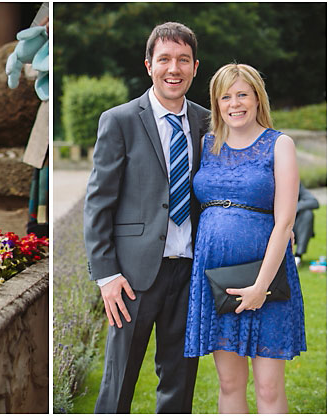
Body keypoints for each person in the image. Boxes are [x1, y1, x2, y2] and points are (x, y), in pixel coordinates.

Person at [84, 22, 208, 413]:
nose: (174, 69)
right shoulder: (119, 120)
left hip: (190, 272)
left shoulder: (208, 123)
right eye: (165, 59)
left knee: (180, 381)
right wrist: (106, 275)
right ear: (148, 64)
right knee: (118, 381)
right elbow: (99, 202)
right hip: (132, 277)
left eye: (183, 60)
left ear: (195, 66)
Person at [184, 63, 305, 413]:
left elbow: (284, 223)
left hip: (266, 281)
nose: (234, 103)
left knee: (268, 388)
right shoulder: (206, 144)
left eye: (242, 95)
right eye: (226, 96)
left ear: (256, 99)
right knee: (230, 383)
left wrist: (260, 287)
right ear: (216, 103)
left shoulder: (279, 144)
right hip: (216, 281)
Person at [294, 183, 319, 265]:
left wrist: (295, 207)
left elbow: (314, 202)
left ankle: (298, 256)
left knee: (308, 214)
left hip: (294, 226)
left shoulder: (295, 184)